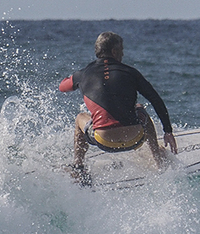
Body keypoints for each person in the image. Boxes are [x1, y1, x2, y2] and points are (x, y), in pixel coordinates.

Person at [59, 32, 177, 183]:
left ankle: (79, 167)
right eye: (121, 49)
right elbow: (156, 100)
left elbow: (62, 87)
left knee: (80, 118)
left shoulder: (82, 74)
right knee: (141, 109)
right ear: (114, 52)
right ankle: (159, 161)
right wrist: (168, 131)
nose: (123, 53)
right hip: (134, 137)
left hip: (104, 140)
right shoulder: (131, 72)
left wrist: (74, 79)